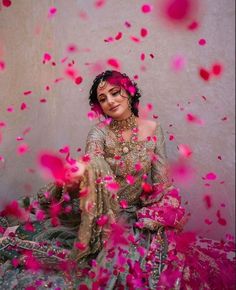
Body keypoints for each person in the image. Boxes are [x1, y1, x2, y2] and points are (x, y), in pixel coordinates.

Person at [0, 70, 235, 289]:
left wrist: (159, 212)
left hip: (132, 215)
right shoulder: (99, 132)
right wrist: (82, 169)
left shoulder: (154, 129)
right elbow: (93, 161)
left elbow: (160, 181)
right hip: (100, 212)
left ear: (129, 92)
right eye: (103, 98)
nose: (110, 101)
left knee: (150, 264)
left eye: (114, 93)